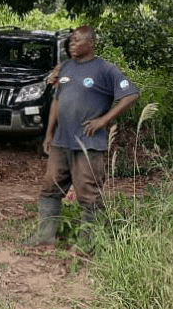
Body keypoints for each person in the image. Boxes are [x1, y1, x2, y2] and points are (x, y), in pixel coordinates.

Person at [27, 25, 140, 245]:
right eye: (70, 41)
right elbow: (56, 101)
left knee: (89, 195)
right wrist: (49, 134)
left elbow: (131, 94)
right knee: (50, 188)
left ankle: (88, 243)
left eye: (77, 40)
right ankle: (45, 236)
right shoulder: (65, 68)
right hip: (61, 141)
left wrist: (103, 120)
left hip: (88, 143)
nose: (71, 43)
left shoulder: (105, 69)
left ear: (91, 43)